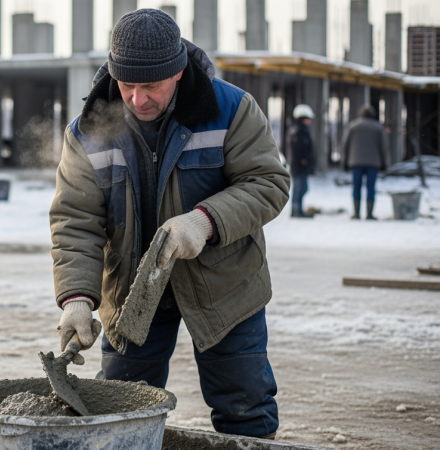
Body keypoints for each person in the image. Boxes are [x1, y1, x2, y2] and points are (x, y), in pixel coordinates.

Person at [49, 9, 289, 440]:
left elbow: (268, 183)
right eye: (128, 85)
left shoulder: (230, 109)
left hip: (225, 286)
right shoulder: (88, 129)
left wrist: (205, 222)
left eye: (151, 86)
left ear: (177, 72)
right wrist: (78, 297)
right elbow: (75, 219)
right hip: (133, 290)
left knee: (244, 404)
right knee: (121, 407)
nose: (138, 99)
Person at [342, 105, 388, 220]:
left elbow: (345, 145)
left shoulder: (352, 126)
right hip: (373, 162)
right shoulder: (378, 127)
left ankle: (356, 213)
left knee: (356, 187)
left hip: (355, 162)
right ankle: (369, 214)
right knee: (371, 188)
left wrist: (345, 162)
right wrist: (384, 163)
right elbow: (384, 147)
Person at [287, 104, 315, 218]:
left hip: (298, 164)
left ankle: (297, 210)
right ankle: (296, 210)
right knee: (300, 188)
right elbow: (300, 149)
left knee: (301, 187)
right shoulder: (299, 131)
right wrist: (304, 160)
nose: (310, 120)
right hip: (299, 165)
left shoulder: (297, 129)